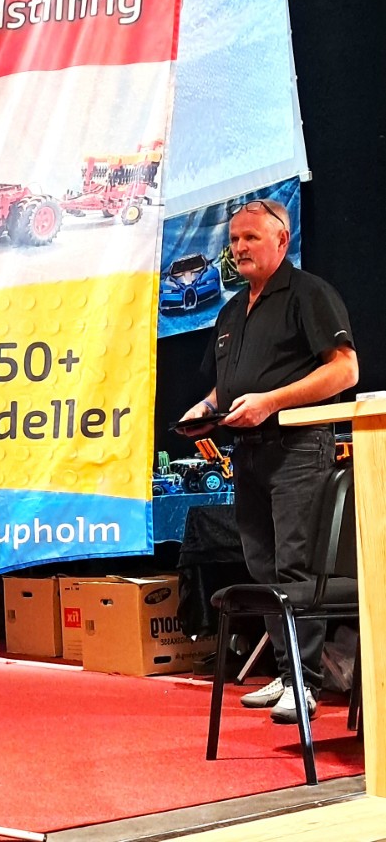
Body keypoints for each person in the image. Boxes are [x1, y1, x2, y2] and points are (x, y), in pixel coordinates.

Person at [179, 198, 357, 725]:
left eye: (251, 238)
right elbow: (231, 382)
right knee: (261, 567)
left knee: (296, 568)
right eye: (234, 239)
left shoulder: (309, 294)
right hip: (248, 452)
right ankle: (285, 669)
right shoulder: (232, 310)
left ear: (282, 240)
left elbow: (345, 371)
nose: (239, 248)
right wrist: (207, 407)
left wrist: (272, 402)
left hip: (298, 449)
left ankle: (306, 683)